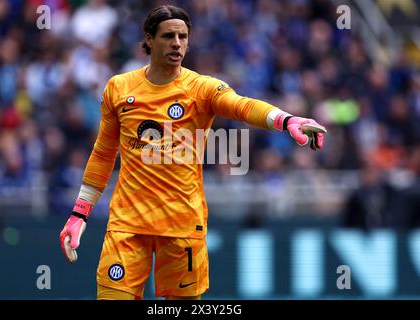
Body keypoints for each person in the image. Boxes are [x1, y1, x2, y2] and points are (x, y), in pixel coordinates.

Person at [59, 5, 327, 300]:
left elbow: (243, 106)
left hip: (182, 226)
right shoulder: (119, 88)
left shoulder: (201, 88)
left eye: (183, 37)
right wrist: (78, 214)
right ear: (149, 39)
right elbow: (103, 153)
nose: (177, 43)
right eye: (168, 36)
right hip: (127, 225)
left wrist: (286, 120)